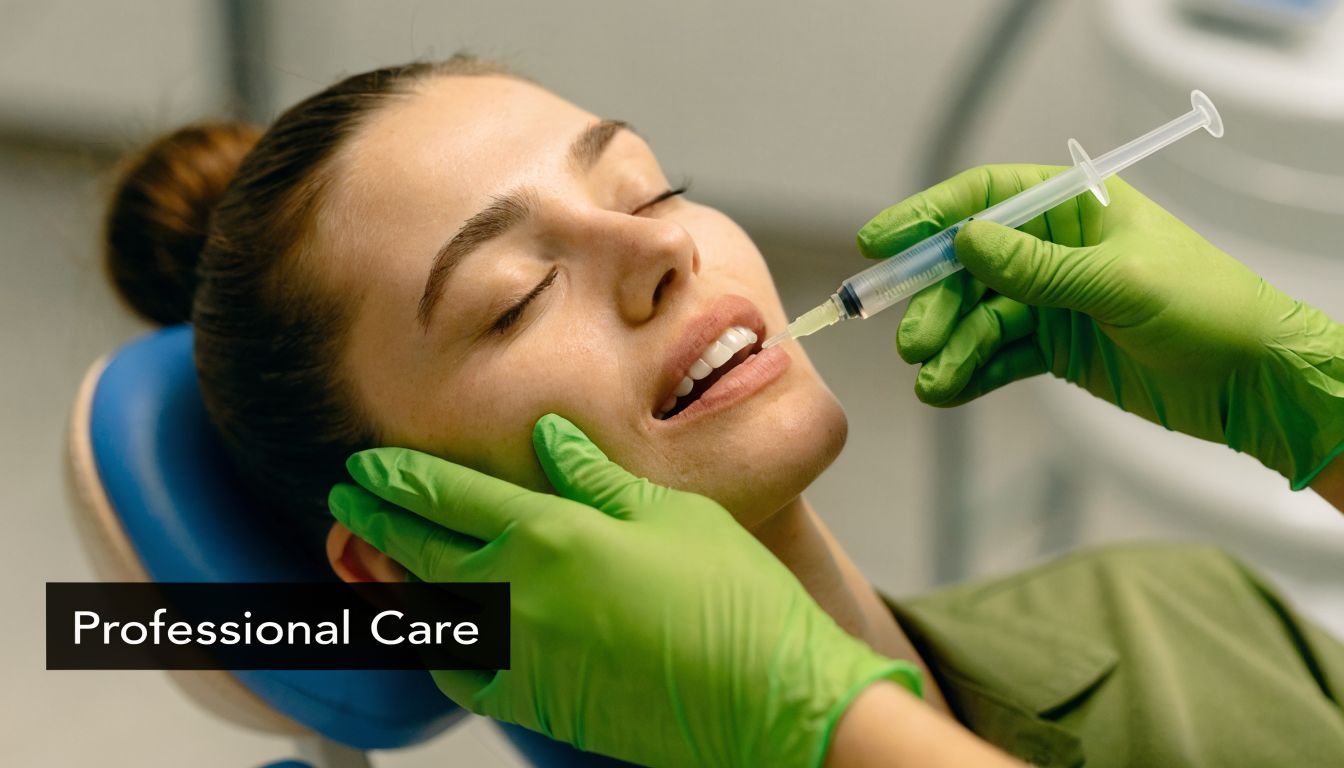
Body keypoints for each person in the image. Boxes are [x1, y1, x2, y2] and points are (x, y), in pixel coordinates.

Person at [101, 54, 1344, 767]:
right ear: (399, 571)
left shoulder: (1173, 604)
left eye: (649, 191)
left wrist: (1320, 408)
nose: (663, 255)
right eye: (516, 296)